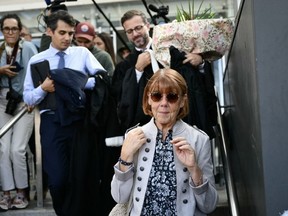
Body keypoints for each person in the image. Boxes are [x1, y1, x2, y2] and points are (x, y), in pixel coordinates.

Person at [23, 10, 105, 216]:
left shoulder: (82, 54)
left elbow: (101, 80)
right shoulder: (37, 60)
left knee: (81, 177)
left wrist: (72, 80)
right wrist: (44, 88)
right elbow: (28, 98)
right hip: (52, 123)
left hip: (79, 122)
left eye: (70, 33)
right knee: (58, 179)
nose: (68, 38)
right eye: (62, 33)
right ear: (50, 32)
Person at [111, 68, 218, 215]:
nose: (164, 103)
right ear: (148, 99)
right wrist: (124, 157)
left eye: (172, 97)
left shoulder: (199, 139)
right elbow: (119, 197)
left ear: (182, 101)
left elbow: (209, 206)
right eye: (156, 96)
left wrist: (194, 169)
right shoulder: (134, 135)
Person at [112, 9, 216, 139]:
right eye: (129, 31)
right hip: (148, 132)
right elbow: (121, 100)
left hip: (182, 124)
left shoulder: (173, 49)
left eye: (138, 28)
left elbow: (196, 84)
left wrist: (200, 62)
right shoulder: (126, 65)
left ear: (148, 26)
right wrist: (137, 71)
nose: (135, 34)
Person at [0, 13, 38, 211]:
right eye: (6, 28)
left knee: (17, 149)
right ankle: (7, 193)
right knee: (3, 149)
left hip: (24, 102)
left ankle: (22, 192)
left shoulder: (29, 47)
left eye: (14, 28)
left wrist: (34, 98)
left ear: (20, 29)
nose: (10, 32)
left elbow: (39, 74)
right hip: (2, 101)